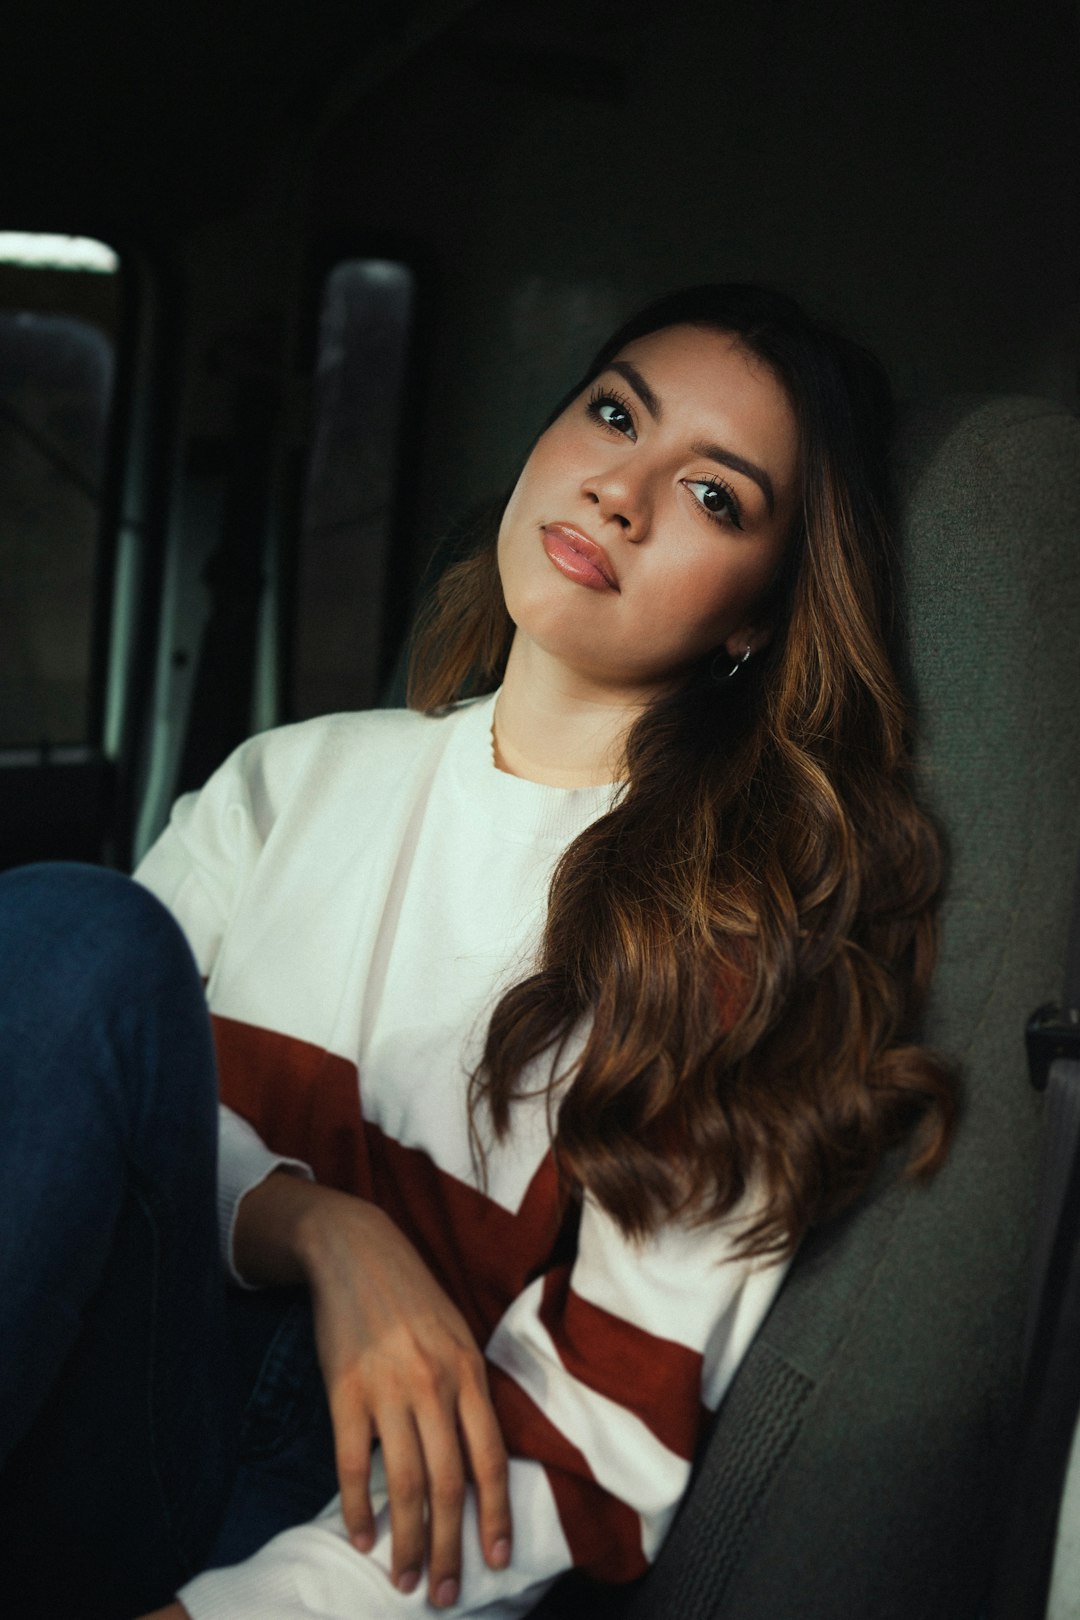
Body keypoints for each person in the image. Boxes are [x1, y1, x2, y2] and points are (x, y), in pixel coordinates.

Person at [0, 284, 957, 1620]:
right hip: (78, 1392)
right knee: (66, 941)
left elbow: (584, 1447)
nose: (622, 491)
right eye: (614, 414)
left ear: (758, 618)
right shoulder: (286, 780)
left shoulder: (724, 951)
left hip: (317, 1518)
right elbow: (71, 1138)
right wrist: (322, 1230)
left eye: (715, 497)